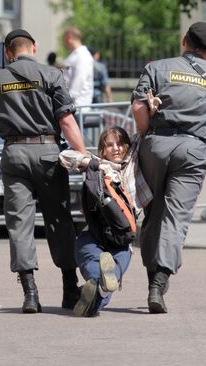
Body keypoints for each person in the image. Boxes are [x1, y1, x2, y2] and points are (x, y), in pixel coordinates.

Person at [0, 29, 87, 314]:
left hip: (14, 154)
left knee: (19, 223)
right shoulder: (51, 75)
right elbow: (67, 122)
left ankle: (30, 294)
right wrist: (83, 156)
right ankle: (70, 290)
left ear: (9, 53)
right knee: (59, 219)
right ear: (33, 48)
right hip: (47, 153)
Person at [131, 21, 206, 314]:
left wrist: (146, 134)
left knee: (154, 212)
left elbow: (138, 107)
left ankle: (151, 277)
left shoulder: (157, 67)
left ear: (184, 40)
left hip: (156, 144)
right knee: (176, 216)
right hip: (193, 149)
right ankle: (159, 281)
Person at [72, 126, 133, 317]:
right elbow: (65, 156)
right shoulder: (98, 167)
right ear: (102, 151)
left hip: (121, 240)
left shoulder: (134, 170)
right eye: (109, 145)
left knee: (110, 272)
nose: (116, 148)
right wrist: (87, 161)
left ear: (128, 147)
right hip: (94, 234)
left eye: (120, 144)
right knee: (90, 257)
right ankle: (100, 288)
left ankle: (94, 292)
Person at [63, 26, 94, 108]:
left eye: (64, 39)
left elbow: (79, 80)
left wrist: (65, 99)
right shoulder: (75, 54)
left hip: (77, 106)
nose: (64, 42)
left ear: (69, 38)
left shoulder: (82, 55)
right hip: (72, 105)